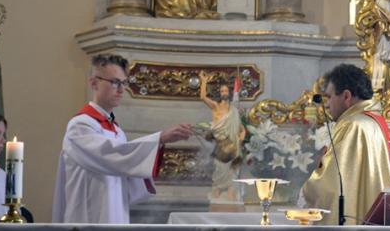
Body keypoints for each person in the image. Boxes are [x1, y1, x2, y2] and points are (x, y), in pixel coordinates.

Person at [52, 54, 192, 224]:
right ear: (94, 83)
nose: (121, 90)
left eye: (124, 83)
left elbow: (123, 168)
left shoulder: (117, 131)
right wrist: (160, 138)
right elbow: (109, 154)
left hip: (115, 213)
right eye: (115, 82)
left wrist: (158, 143)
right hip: (88, 215)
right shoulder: (80, 126)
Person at [300, 64, 390, 225]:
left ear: (346, 96)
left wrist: (307, 190)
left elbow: (331, 184)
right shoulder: (375, 121)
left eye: (330, 97)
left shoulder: (352, 125)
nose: (327, 105)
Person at [198, 71, 245, 205]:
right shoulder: (215, 107)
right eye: (222, 91)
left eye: (226, 91)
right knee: (219, 172)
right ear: (219, 93)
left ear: (229, 93)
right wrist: (204, 81)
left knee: (232, 174)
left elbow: (241, 129)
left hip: (233, 146)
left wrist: (240, 139)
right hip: (220, 145)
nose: (224, 93)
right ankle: (217, 197)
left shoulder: (234, 111)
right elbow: (203, 97)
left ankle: (230, 198)